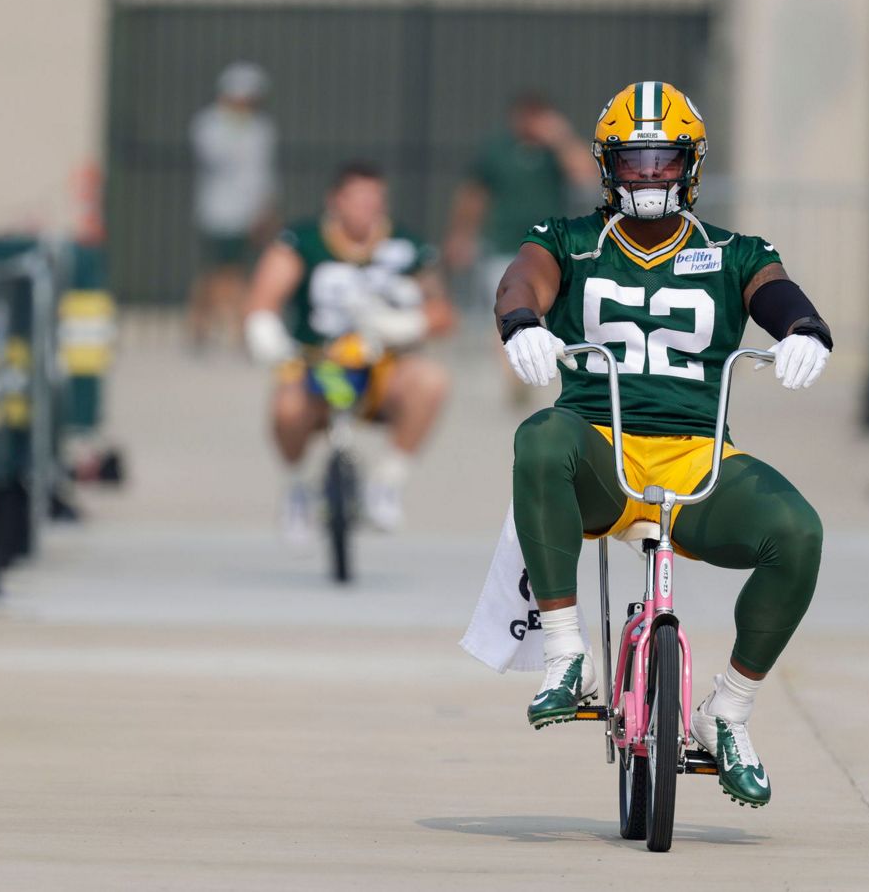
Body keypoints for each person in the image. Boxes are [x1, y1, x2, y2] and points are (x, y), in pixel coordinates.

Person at [497, 82, 831, 808]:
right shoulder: (570, 239)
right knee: (540, 437)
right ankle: (565, 652)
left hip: (698, 455)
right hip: (602, 451)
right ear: (608, 166)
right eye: (634, 160)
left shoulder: (733, 250)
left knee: (798, 532)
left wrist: (803, 326)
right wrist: (521, 318)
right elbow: (525, 275)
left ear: (692, 165)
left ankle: (729, 711)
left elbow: (774, 288)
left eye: (664, 159)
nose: (649, 175)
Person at [243, 162, 454, 537]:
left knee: (431, 380)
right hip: (319, 362)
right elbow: (263, 298)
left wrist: (407, 323)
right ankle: (298, 486)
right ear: (335, 201)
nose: (366, 208)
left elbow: (443, 312)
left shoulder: (405, 246)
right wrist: (265, 333)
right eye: (357, 199)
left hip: (381, 366)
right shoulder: (303, 240)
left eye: (374, 199)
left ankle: (387, 483)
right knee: (286, 407)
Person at [443, 92, 598, 306]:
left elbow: (587, 174)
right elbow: (473, 194)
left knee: (549, 311)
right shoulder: (498, 150)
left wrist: (562, 138)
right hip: (505, 246)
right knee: (509, 308)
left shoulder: (556, 151)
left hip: (550, 248)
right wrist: (462, 234)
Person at [188, 62, 279, 349]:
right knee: (220, 271)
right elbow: (216, 159)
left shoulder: (261, 128)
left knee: (236, 270)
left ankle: (232, 325)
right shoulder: (209, 124)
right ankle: (212, 323)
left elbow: (263, 171)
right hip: (218, 211)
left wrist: (267, 207)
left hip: (251, 211)